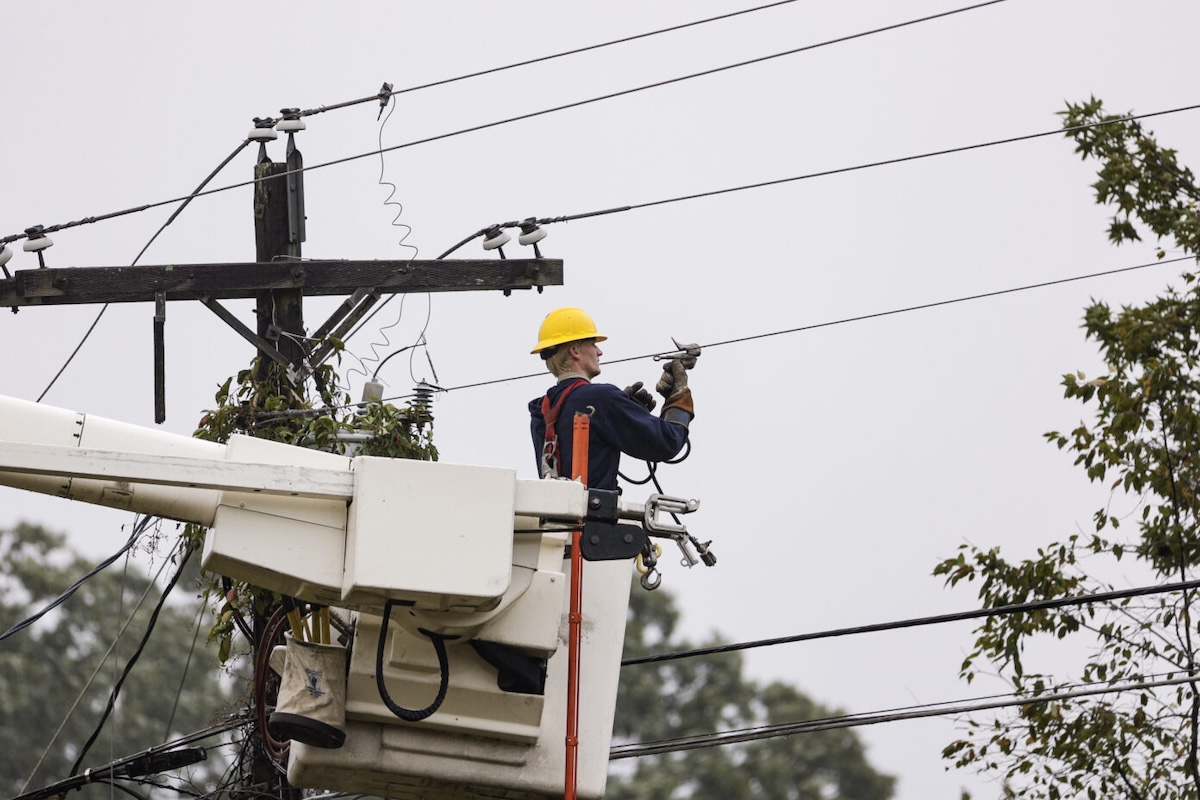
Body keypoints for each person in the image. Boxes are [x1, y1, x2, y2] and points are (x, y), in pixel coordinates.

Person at [528, 307, 695, 491]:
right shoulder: (602, 399)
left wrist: (623, 411)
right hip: (595, 516)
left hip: (556, 515)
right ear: (575, 350)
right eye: (593, 344)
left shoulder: (543, 409)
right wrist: (678, 395)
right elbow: (668, 442)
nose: (599, 352)